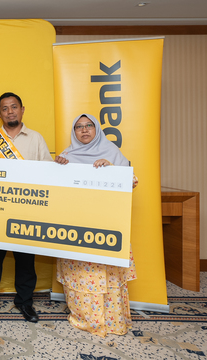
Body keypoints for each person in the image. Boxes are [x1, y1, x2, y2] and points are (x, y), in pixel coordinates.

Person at [54, 113, 137, 337]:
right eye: (79, 127)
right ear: (74, 131)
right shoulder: (66, 155)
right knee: (80, 273)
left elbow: (132, 181)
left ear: (96, 128)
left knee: (106, 274)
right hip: (75, 227)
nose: (84, 130)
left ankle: (111, 320)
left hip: (106, 226)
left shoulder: (111, 153)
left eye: (89, 125)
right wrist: (57, 168)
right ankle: (83, 317)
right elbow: (53, 191)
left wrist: (112, 169)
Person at [0, 92, 52, 322]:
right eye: (5, 108)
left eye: (14, 107)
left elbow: (48, 172)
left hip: (26, 210)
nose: (10, 111)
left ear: (22, 109)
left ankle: (25, 302)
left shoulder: (36, 138)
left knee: (26, 259)